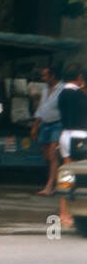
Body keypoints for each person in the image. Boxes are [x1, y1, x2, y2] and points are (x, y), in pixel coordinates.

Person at [56, 61, 87, 231]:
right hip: (80, 137)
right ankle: (69, 213)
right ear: (79, 77)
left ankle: (64, 213)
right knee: (79, 177)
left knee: (66, 175)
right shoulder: (79, 95)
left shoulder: (62, 93)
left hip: (66, 136)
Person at [32, 64, 64, 197]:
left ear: (53, 76)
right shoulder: (45, 90)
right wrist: (35, 126)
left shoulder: (62, 89)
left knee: (52, 155)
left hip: (57, 124)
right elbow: (41, 108)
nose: (43, 78)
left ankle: (50, 186)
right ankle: (54, 183)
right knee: (47, 157)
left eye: (45, 75)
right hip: (45, 125)